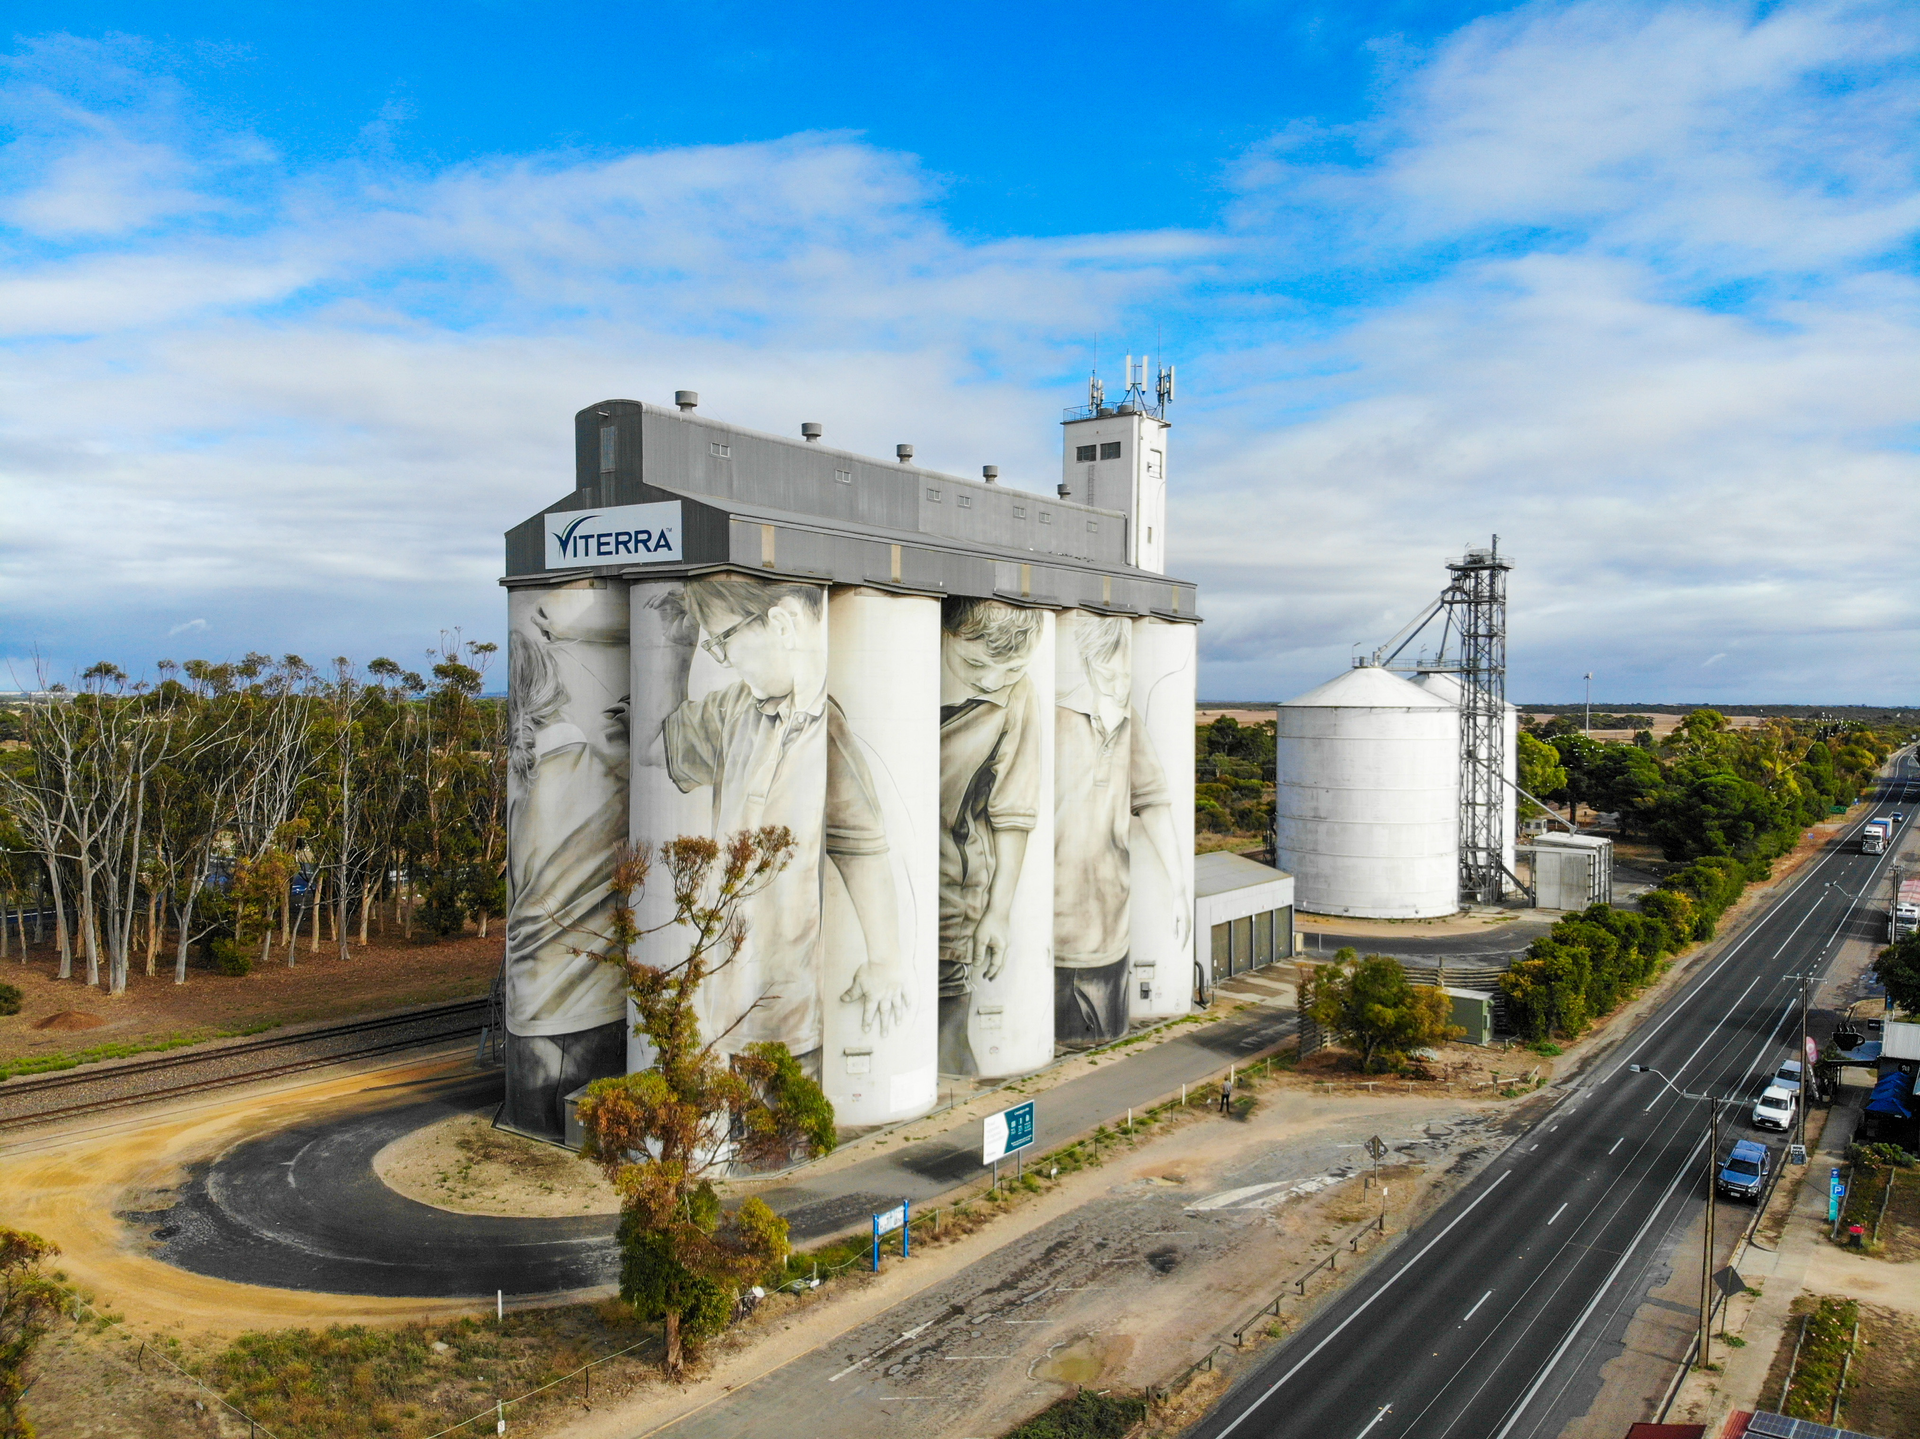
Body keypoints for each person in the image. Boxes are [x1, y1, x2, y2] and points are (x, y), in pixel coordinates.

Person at [632, 575, 905, 1075]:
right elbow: (654, 749)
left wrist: (885, 961)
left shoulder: (829, 729)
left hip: (789, 1026)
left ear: (780, 624)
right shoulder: (735, 710)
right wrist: (673, 648)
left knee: (775, 1142)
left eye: (723, 641)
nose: (725, 659)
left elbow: (862, 849)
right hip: (720, 1010)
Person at [502, 584, 632, 1139]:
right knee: (588, 1134)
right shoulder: (603, 777)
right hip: (592, 1008)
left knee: (536, 1130)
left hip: (527, 1014)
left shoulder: (525, 788)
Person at [1054, 614, 1190, 1047]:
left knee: (1101, 1040)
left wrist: (1179, 888)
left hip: (1110, 931)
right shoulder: (1053, 717)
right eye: (1109, 671)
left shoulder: (1129, 721)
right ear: (1090, 664)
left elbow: (1152, 802)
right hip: (1049, 931)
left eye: (1127, 671)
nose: (1119, 681)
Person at [936, 598, 1044, 1075]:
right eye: (975, 662)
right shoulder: (894, 660)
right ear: (944, 632)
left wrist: (998, 912)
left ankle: (954, 1142)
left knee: (948, 1059)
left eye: (1012, 668)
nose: (991, 680)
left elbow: (1013, 812)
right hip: (852, 912)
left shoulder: (1018, 696)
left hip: (950, 912)